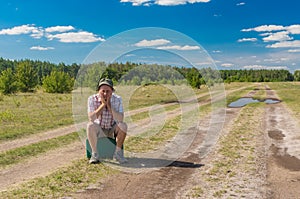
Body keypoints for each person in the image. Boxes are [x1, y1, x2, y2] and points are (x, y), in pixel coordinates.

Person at [87, 78, 127, 164]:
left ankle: (118, 154)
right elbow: (91, 118)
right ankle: (94, 154)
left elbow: (120, 118)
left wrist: (109, 106)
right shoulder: (92, 99)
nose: (105, 94)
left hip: (112, 128)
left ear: (112, 91)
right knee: (90, 125)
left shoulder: (118, 99)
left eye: (108, 91)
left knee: (123, 125)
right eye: (103, 91)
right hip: (99, 128)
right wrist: (103, 105)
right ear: (98, 91)